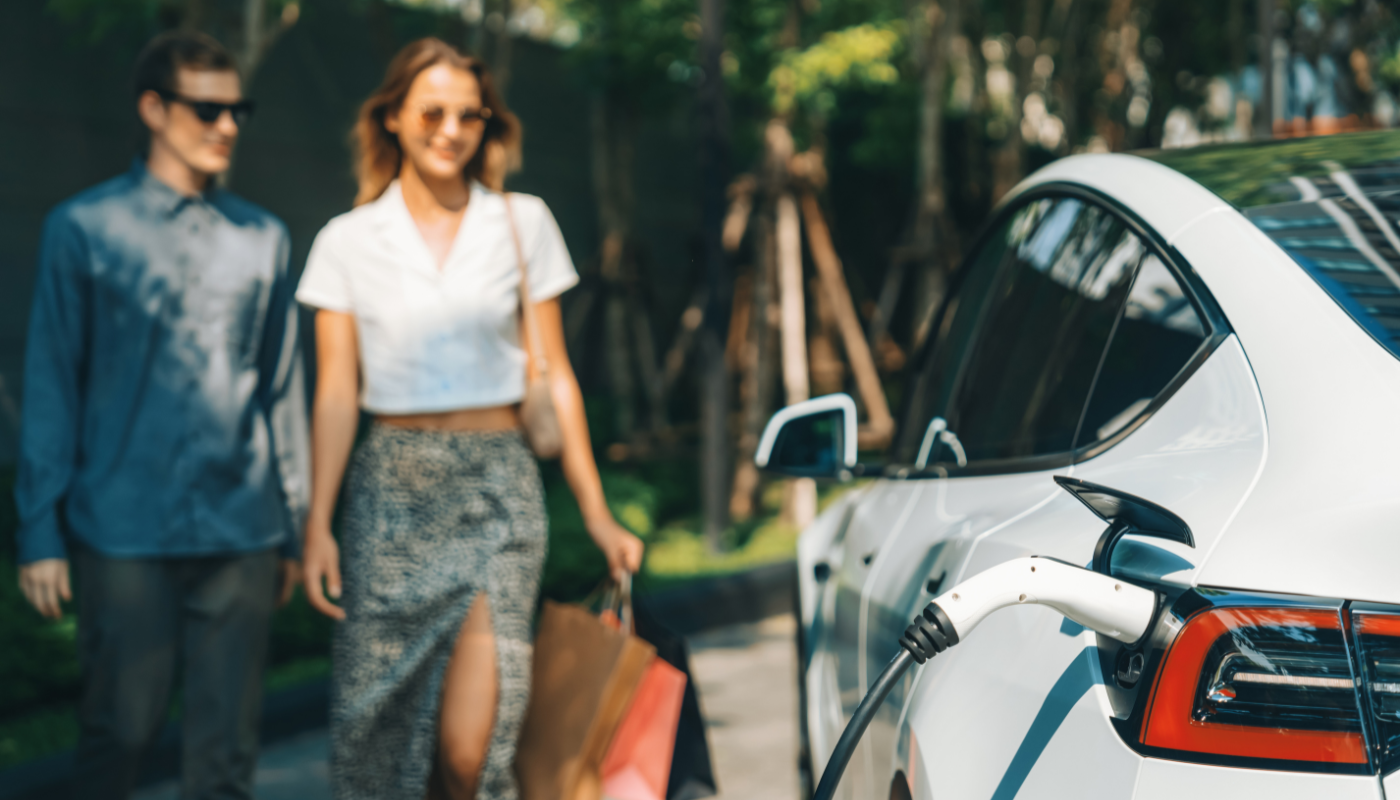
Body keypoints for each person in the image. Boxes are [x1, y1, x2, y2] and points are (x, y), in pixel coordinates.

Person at [295, 37, 644, 800]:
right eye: (432, 113)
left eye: (470, 116)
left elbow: (558, 377)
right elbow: (333, 394)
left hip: (497, 492)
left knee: (470, 752)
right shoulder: (346, 242)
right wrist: (317, 523)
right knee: (376, 740)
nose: (450, 130)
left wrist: (599, 514)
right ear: (391, 118)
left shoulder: (522, 223)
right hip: (390, 491)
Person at [13, 30, 308, 800]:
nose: (228, 126)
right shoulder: (82, 230)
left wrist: (298, 528)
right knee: (120, 732)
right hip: (121, 528)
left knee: (226, 756)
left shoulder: (265, 240)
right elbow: (52, 385)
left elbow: (281, 388)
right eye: (208, 109)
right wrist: (38, 529)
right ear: (153, 108)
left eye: (238, 109)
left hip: (243, 531)